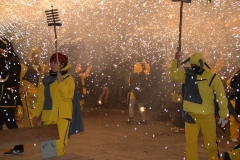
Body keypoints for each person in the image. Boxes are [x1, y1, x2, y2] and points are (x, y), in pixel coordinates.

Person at [170, 52, 229, 160]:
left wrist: (223, 114)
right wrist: (175, 61)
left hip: (207, 116)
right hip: (190, 116)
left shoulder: (212, 78)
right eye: (192, 65)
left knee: (211, 145)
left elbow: (221, 97)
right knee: (191, 144)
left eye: (195, 66)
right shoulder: (188, 76)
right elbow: (174, 74)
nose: (193, 68)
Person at [32, 52, 84, 156]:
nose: (53, 65)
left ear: (62, 64)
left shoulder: (68, 79)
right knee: (47, 146)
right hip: (48, 116)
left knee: (58, 145)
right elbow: (41, 100)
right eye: (52, 62)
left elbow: (68, 96)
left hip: (62, 117)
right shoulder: (45, 81)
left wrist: (61, 82)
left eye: (56, 62)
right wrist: (36, 114)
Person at [0, 36, 24, 155]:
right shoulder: (5, 59)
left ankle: (19, 146)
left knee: (10, 122)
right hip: (2, 97)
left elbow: (6, 78)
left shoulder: (12, 60)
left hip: (7, 98)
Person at [18, 48, 43, 127]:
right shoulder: (26, 64)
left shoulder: (39, 66)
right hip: (27, 90)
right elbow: (19, 76)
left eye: (38, 55)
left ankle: (25, 128)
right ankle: (32, 128)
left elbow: (41, 77)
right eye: (36, 55)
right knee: (30, 110)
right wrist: (22, 86)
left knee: (32, 110)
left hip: (36, 91)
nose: (38, 57)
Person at [126, 58, 150, 125]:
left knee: (131, 105)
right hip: (141, 92)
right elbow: (148, 69)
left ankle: (131, 117)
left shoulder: (132, 75)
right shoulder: (143, 74)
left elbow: (129, 83)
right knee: (141, 106)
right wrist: (145, 63)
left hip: (133, 93)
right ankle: (144, 119)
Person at [228, 70, 240, 143]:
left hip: (236, 99)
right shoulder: (237, 75)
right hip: (236, 99)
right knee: (235, 118)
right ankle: (234, 135)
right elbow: (232, 84)